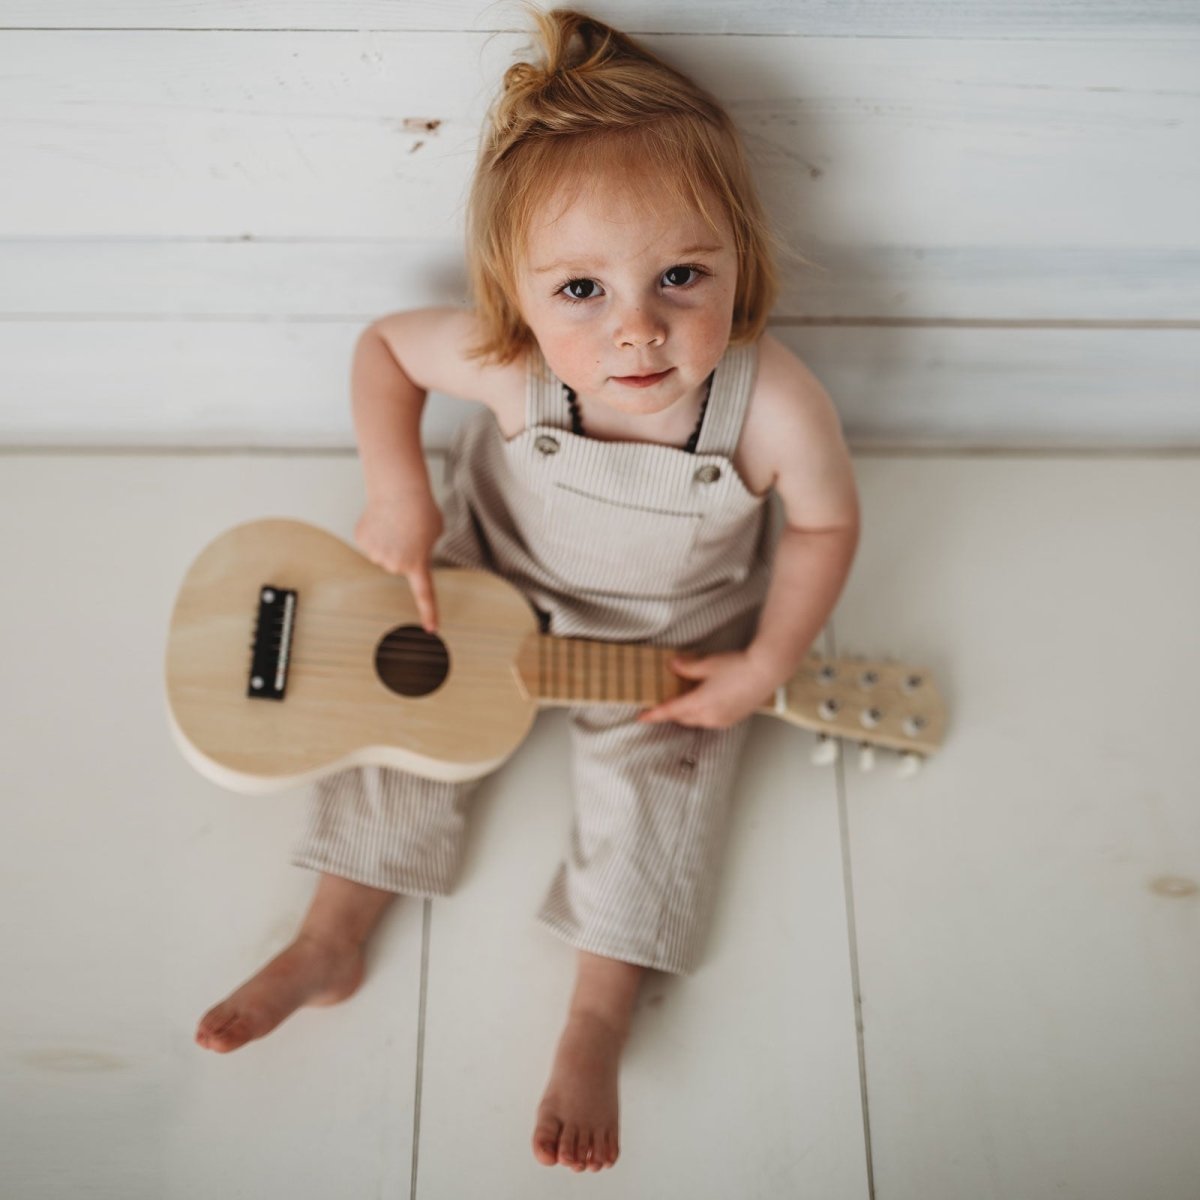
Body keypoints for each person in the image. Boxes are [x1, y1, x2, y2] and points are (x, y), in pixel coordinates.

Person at [194, 6, 860, 1174]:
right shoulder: (508, 365)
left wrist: (763, 662)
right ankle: (332, 935)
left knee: (661, 793)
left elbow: (825, 524)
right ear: (516, 286)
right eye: (583, 292)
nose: (638, 331)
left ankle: (598, 1011)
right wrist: (399, 490)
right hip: (486, 576)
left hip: (669, 633)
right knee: (391, 721)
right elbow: (385, 354)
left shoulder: (774, 406)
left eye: (681, 275)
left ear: (742, 256)